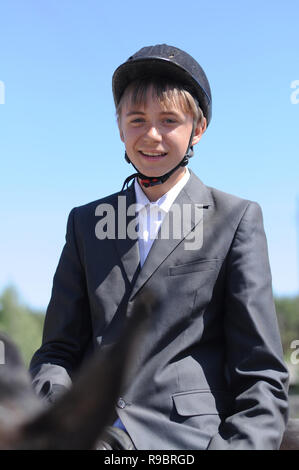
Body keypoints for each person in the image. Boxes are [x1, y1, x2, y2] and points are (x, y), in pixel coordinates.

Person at [30, 44, 289, 450]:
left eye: (169, 120)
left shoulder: (236, 219)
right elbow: (56, 353)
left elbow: (261, 373)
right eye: (137, 120)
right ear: (119, 127)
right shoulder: (84, 223)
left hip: (186, 440)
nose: (151, 135)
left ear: (197, 129)